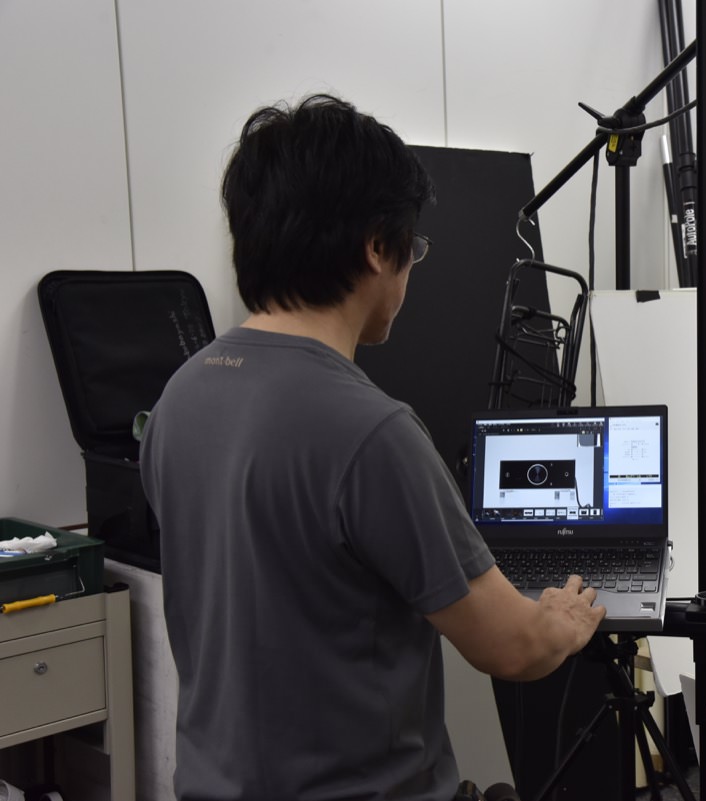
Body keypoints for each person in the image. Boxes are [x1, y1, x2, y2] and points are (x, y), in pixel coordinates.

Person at [140, 94, 606, 801]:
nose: (410, 270)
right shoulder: (370, 432)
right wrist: (565, 624)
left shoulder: (179, 397)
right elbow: (513, 647)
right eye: (410, 249)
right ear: (376, 248)